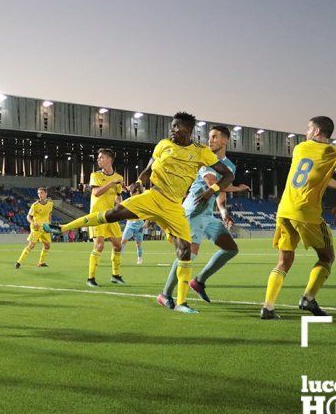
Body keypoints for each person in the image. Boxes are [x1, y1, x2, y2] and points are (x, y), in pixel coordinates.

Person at [45, 112, 233, 313]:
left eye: (176, 127)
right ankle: (63, 227)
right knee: (114, 213)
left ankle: (181, 303)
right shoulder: (163, 145)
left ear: (187, 130)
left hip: (174, 207)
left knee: (185, 249)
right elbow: (148, 170)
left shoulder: (201, 151)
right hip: (153, 197)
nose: (172, 130)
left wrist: (211, 191)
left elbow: (228, 175)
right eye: (172, 126)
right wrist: (139, 181)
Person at [260, 116, 336, 319]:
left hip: (284, 210)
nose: (306, 132)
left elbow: (314, 175)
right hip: (306, 213)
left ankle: (268, 307)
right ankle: (308, 298)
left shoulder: (299, 148)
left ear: (317, 131)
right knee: (327, 257)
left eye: (309, 128)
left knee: (284, 261)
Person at [160, 126, 250, 309]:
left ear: (225, 141)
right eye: (209, 137)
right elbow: (213, 184)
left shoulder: (230, 166)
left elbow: (220, 194)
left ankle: (199, 281)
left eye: (215, 137)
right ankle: (165, 295)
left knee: (230, 248)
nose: (210, 140)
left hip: (207, 215)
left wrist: (224, 212)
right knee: (189, 255)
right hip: (192, 212)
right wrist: (238, 188)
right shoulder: (205, 159)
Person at [85, 148, 126, 286]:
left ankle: (115, 275)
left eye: (101, 157)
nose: (98, 159)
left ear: (109, 159)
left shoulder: (119, 177)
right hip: (97, 216)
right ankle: (90, 279)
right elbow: (96, 192)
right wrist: (110, 184)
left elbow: (118, 196)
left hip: (110, 216)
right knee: (99, 246)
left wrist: (121, 206)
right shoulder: (95, 175)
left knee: (118, 245)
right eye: (98, 157)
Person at [15, 187, 53, 269]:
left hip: (45, 228)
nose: (40, 195)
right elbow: (28, 216)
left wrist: (49, 223)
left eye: (41, 193)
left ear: (46, 194)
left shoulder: (50, 204)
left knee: (47, 246)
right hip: (36, 228)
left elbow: (50, 214)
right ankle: (19, 262)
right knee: (31, 245)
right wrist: (33, 223)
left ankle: (41, 263)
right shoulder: (35, 205)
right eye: (38, 193)